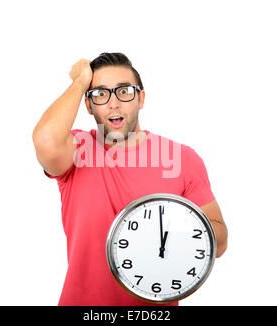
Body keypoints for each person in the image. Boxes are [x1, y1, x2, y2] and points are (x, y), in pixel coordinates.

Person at [32, 52, 228, 306]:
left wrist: (172, 230)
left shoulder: (182, 158)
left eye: (124, 91)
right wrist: (79, 81)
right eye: (100, 94)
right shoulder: (77, 150)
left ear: (141, 98)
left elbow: (220, 242)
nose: (114, 103)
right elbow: (46, 140)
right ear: (89, 105)